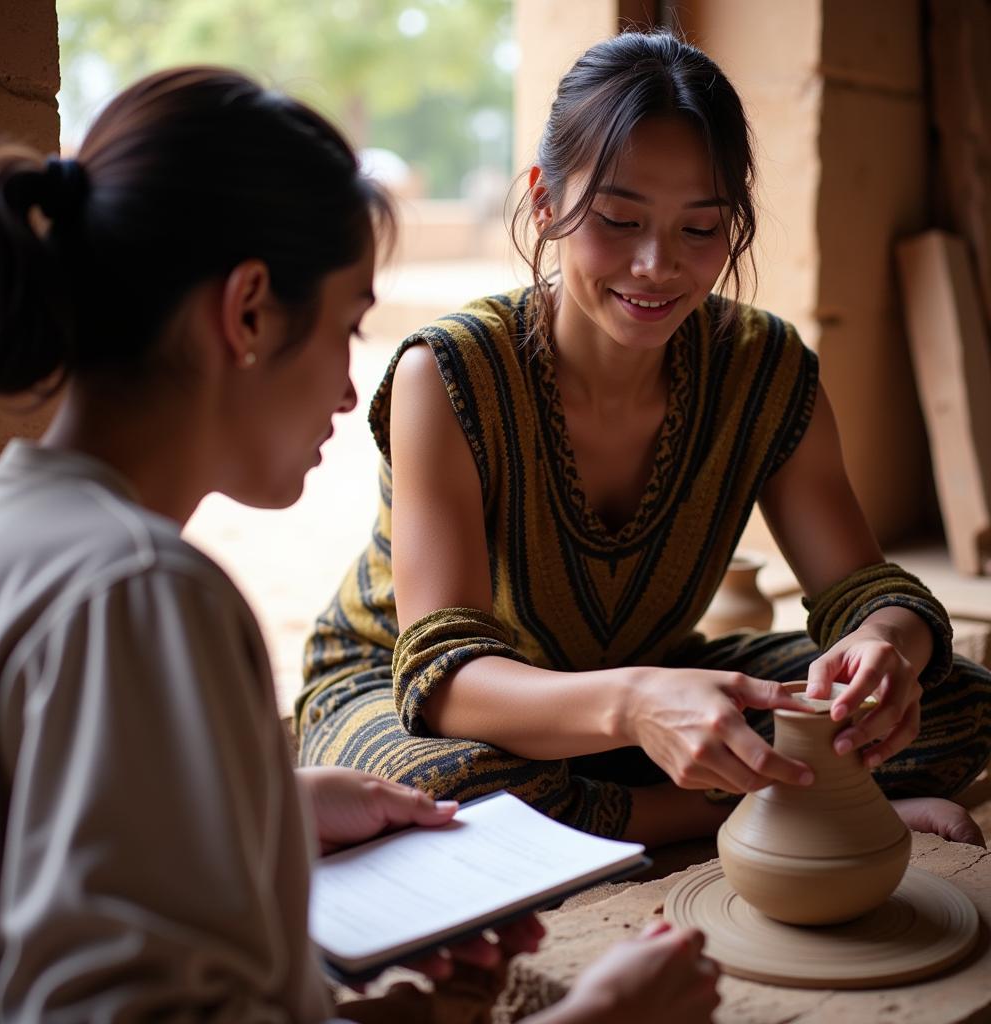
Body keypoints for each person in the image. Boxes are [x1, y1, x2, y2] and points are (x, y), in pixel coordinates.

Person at [0, 66, 720, 1023]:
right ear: (246, 314)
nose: (345, 388)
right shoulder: (142, 592)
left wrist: (267, 811)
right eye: (347, 324)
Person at [297, 29, 991, 849]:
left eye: (700, 230)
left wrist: (886, 648)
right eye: (620, 220)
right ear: (546, 202)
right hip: (421, 697)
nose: (657, 265)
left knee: (959, 703)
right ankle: (769, 807)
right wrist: (633, 703)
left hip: (647, 680)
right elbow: (446, 682)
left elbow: (865, 591)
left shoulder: (760, 369)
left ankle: (660, 808)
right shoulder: (450, 374)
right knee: (437, 788)